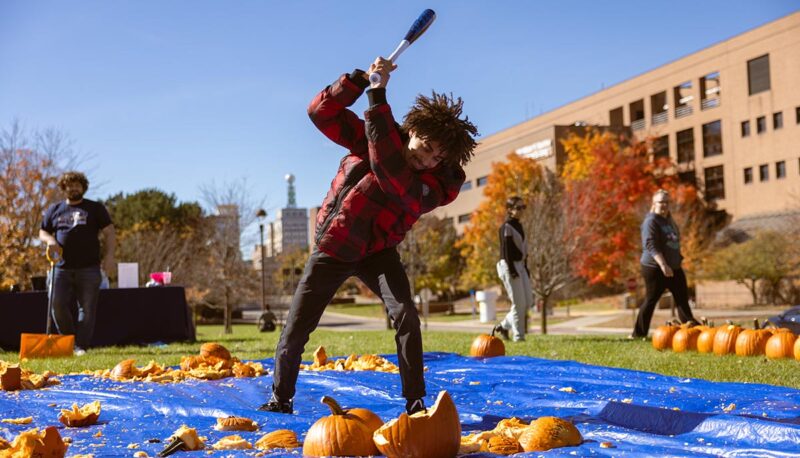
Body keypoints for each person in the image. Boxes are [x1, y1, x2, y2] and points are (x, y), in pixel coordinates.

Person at [260, 57, 478, 415]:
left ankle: (416, 402)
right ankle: (280, 399)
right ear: (413, 130)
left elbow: (393, 177)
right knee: (297, 326)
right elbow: (321, 113)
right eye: (425, 147)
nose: (428, 160)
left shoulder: (440, 184)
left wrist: (378, 98)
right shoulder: (375, 134)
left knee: (406, 313)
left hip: (378, 253)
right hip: (335, 245)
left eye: (437, 156)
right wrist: (360, 81)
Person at [39, 171, 115, 355]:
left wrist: (110, 256)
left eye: (77, 185)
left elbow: (110, 232)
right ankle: (68, 341)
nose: (74, 188)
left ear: (83, 187)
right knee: (56, 303)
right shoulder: (54, 210)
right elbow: (43, 232)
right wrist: (50, 241)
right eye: (70, 185)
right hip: (60, 267)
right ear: (64, 188)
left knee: (87, 309)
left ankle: (80, 346)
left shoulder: (95, 208)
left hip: (89, 267)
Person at [630, 189, 698, 339]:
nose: (664, 205)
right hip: (655, 268)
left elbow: (673, 242)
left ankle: (691, 328)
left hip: (674, 267)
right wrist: (663, 265)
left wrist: (678, 258)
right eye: (661, 202)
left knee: (682, 298)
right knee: (651, 299)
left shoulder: (668, 220)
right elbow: (650, 245)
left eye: (667, 202)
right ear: (654, 204)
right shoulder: (651, 221)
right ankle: (638, 334)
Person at [493, 196, 534, 342]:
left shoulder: (519, 225)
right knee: (518, 304)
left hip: (521, 266)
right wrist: (512, 270)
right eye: (518, 207)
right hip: (509, 266)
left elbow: (523, 250)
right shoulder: (506, 227)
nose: (522, 210)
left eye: (524, 207)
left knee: (528, 302)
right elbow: (506, 251)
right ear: (509, 210)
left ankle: (503, 326)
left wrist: (525, 268)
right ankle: (519, 336)